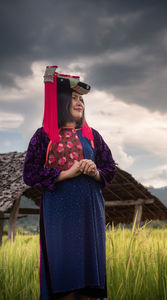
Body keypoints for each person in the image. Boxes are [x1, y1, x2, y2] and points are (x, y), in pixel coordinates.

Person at [23, 66, 116, 300]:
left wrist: (94, 170)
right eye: (73, 98)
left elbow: (110, 169)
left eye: (81, 99)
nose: (79, 103)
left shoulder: (92, 135)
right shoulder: (44, 135)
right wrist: (67, 173)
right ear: (61, 101)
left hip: (90, 215)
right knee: (65, 281)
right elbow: (30, 173)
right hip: (60, 218)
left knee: (90, 286)